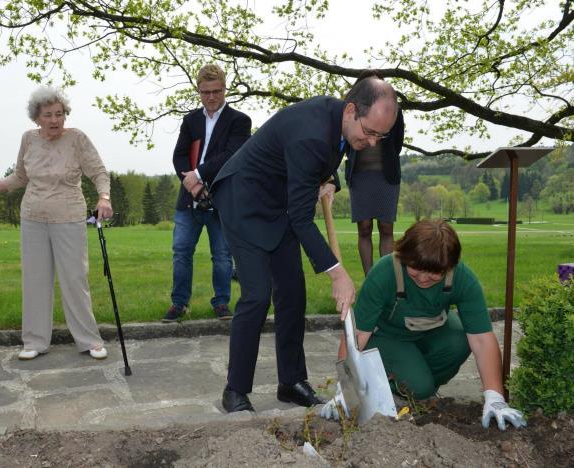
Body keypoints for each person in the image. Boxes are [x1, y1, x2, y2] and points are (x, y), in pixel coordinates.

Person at [212, 77, 399, 412]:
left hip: (278, 202)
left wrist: (329, 180)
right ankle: (235, 390)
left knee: (292, 294)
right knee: (256, 296)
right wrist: (337, 273)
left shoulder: (338, 121)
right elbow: (301, 217)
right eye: (369, 132)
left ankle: (291, 382)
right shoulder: (312, 132)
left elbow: (325, 157)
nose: (371, 143)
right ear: (352, 110)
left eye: (380, 137)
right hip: (244, 201)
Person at [322, 219, 526, 431]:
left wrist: (495, 397)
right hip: (387, 338)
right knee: (419, 387)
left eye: (434, 273)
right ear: (404, 256)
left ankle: (416, 383)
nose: (423, 278)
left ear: (450, 266)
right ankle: (397, 387)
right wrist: (344, 390)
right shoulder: (384, 273)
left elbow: (483, 340)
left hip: (430, 333)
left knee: (460, 340)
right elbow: (356, 335)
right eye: (415, 269)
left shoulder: (463, 278)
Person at [0, 86, 111, 360]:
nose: (55, 120)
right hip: (32, 217)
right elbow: (20, 177)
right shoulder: (28, 139)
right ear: (36, 118)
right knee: (35, 280)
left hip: (68, 216)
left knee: (74, 279)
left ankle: (89, 340)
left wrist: (104, 197)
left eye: (59, 114)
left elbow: (99, 171)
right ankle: (34, 341)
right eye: (48, 115)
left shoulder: (77, 139)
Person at [162, 64, 252, 322]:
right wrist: (192, 184)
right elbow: (179, 155)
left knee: (222, 255)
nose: (211, 97)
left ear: (225, 89)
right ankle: (179, 304)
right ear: (198, 91)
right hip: (189, 198)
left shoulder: (239, 121)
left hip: (221, 198)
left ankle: (221, 303)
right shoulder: (190, 120)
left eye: (216, 91)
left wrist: (199, 174)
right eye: (205, 92)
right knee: (181, 252)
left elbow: (231, 156)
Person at [344, 72, 405, 276]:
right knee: (364, 228)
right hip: (360, 177)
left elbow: (397, 143)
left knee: (387, 228)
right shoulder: (350, 111)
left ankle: (386, 277)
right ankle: (370, 278)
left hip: (386, 177)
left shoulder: (392, 110)